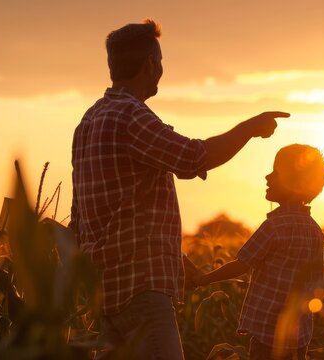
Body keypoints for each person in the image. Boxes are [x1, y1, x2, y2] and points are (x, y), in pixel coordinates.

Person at [69, 19, 289, 360]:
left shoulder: (87, 123)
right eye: (160, 61)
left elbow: (86, 217)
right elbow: (192, 158)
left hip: (107, 295)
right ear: (150, 65)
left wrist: (176, 259)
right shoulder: (131, 116)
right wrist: (250, 127)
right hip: (142, 292)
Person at [195, 144, 324, 360]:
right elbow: (317, 286)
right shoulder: (315, 231)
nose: (267, 177)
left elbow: (241, 264)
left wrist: (202, 279)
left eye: (275, 172)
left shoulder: (274, 226)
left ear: (293, 183)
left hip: (268, 335)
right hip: (299, 338)